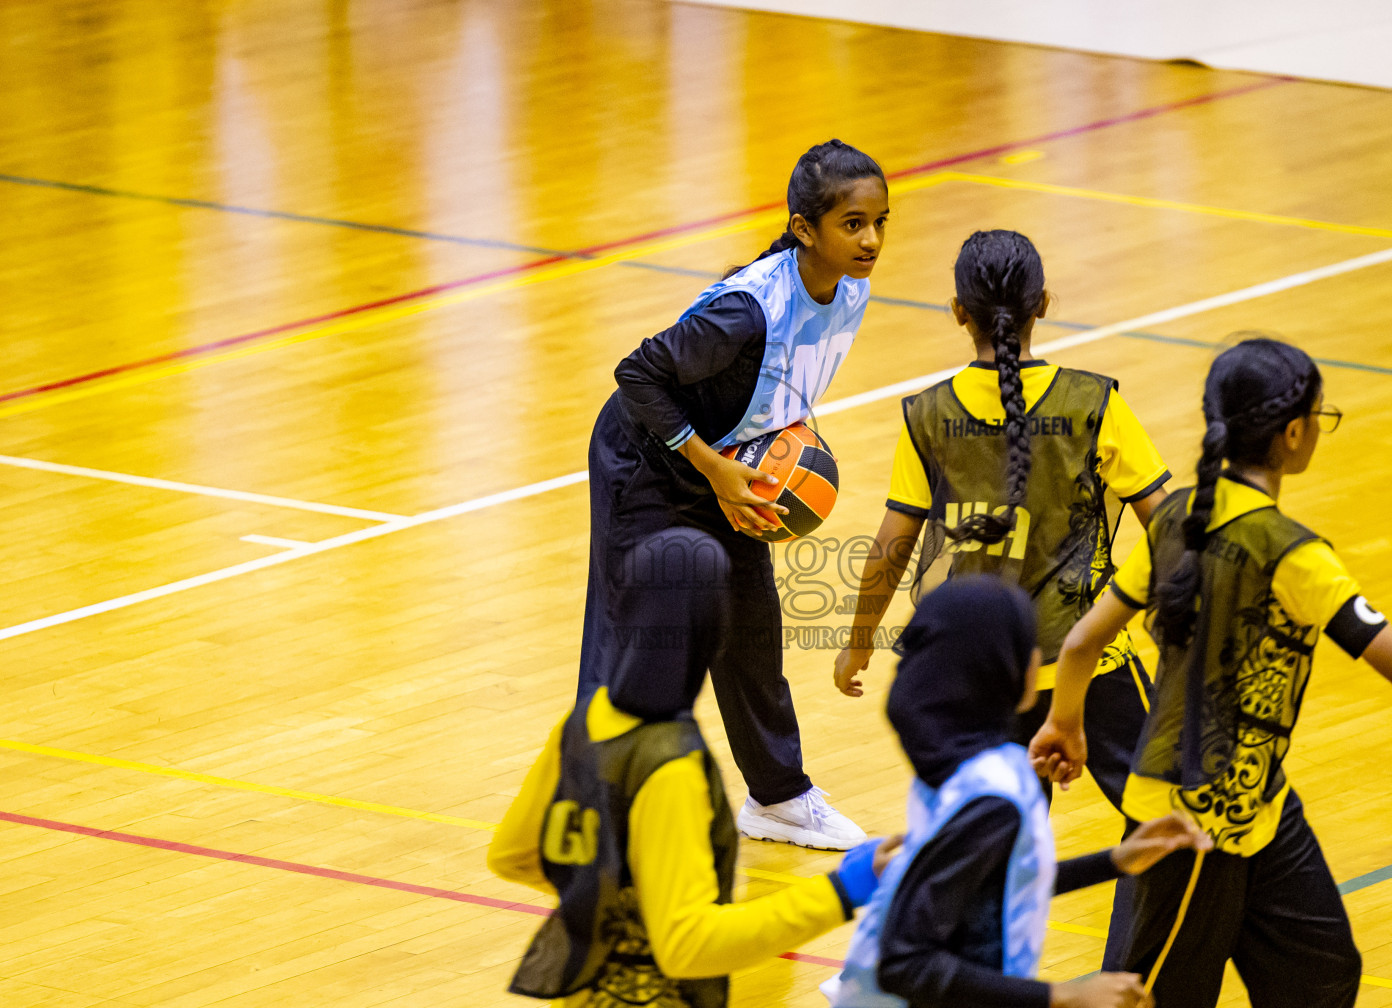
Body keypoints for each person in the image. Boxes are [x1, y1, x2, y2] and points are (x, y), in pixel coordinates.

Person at [1029, 338, 1392, 1008]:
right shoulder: (1293, 555)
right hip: (1186, 826)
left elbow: (1081, 643)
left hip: (1262, 807)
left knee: (1320, 971)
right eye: (1322, 418)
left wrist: (1065, 721)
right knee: (1147, 998)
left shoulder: (1177, 517)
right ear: (1294, 433)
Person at [582, 139, 889, 850]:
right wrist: (711, 467)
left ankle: (778, 798)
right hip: (648, 458)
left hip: (729, 462)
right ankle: (594, 796)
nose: (870, 239)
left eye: (878, 222)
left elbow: (788, 382)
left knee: (751, 626)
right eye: (852, 224)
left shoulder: (850, 289)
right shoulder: (744, 313)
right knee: (637, 629)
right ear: (804, 228)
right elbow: (637, 376)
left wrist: (764, 455)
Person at [836, 229, 1170, 811]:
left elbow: (893, 543)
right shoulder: (1094, 403)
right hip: (1088, 661)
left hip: (980, 674)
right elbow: (1170, 526)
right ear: (1042, 304)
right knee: (1159, 816)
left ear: (959, 313)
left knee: (996, 837)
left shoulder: (929, 414)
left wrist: (858, 643)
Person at [493, 527, 898, 1007]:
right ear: (715, 633)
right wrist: (839, 891)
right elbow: (688, 946)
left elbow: (511, 853)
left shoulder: (583, 721)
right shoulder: (671, 764)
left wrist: (613, 899)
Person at [823, 574, 1210, 1008]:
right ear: (1001, 669)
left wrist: (1115, 861)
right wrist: (1063, 994)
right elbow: (905, 962)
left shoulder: (964, 768)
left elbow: (993, 889)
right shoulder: (992, 798)